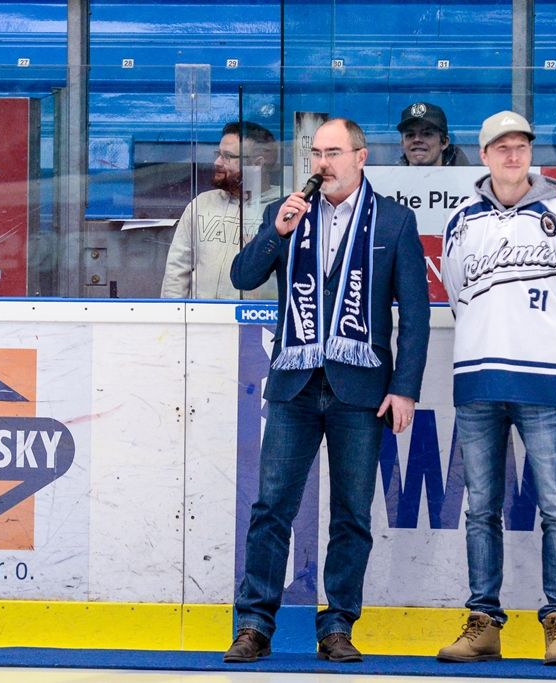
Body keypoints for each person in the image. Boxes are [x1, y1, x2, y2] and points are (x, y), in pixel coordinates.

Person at [224, 118, 430, 663]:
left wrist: (405, 387)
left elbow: (415, 314)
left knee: (351, 514)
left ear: (361, 157)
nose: (323, 163)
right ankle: (254, 624)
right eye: (316, 153)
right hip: (294, 384)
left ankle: (337, 624)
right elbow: (244, 275)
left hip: (360, 390)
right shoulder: (287, 213)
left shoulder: (393, 221)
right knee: (271, 508)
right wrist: (278, 231)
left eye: (334, 152)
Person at [437, 111, 556, 666]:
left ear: (531, 153)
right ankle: (483, 622)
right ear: (483, 156)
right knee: (480, 508)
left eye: (521, 146)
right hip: (480, 382)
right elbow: (459, 294)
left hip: (544, 384)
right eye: (501, 147)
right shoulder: (462, 221)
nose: (513, 156)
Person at [160, 121, 280, 299]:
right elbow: (176, 271)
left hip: (255, 321)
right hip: (201, 319)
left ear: (257, 163)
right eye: (218, 154)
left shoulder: (282, 209)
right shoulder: (202, 204)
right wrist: (172, 319)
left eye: (228, 156)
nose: (217, 162)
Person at [397, 101, 471, 167]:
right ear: (402, 143)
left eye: (427, 134)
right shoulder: (389, 180)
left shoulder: (468, 180)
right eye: (410, 135)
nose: (417, 139)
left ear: (444, 142)